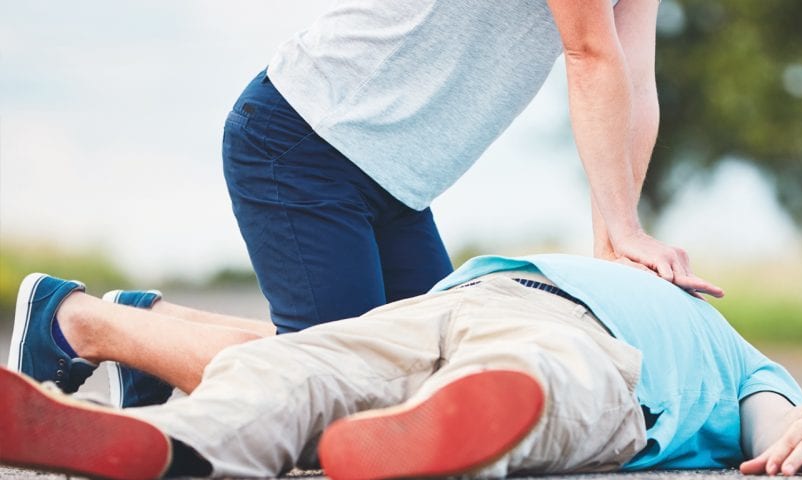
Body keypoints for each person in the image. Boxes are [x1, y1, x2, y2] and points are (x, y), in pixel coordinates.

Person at [0, 254, 802, 480]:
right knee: (299, 364)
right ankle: (169, 437)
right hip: (456, 301)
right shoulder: (603, 261)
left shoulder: (737, 354)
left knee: (536, 371)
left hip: (586, 345)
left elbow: (780, 422)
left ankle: (438, 429)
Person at [219, 1, 723, 331]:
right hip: (304, 138)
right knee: (343, 390)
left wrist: (613, 248)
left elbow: (634, 80)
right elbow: (589, 53)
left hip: (398, 185)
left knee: (434, 383)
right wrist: (625, 229)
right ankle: (163, 330)